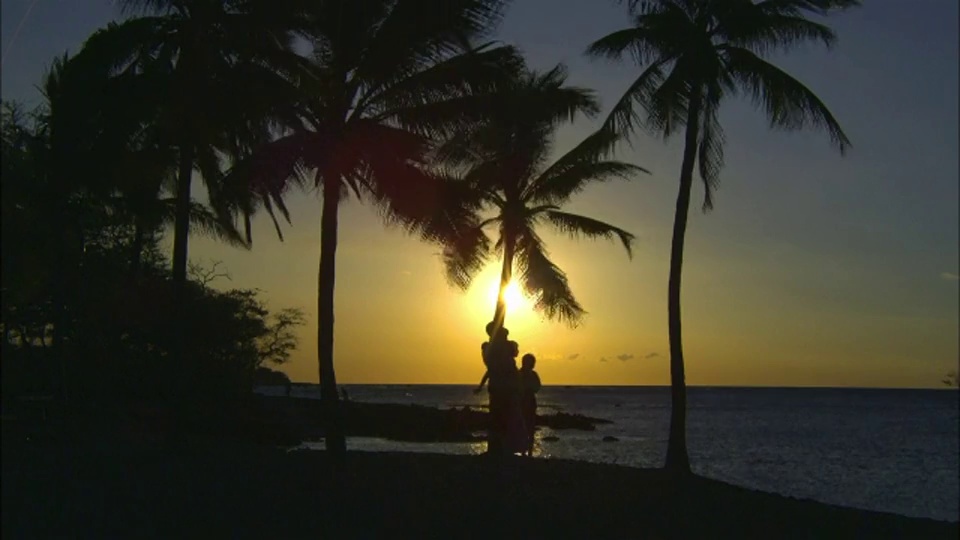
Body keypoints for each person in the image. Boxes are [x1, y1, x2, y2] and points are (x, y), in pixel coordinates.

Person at [519, 353, 541, 456]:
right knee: (523, 428)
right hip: (522, 403)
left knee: (530, 428)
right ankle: (524, 452)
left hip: (530, 402)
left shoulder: (532, 374)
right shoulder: (519, 374)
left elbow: (537, 387)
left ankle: (529, 453)